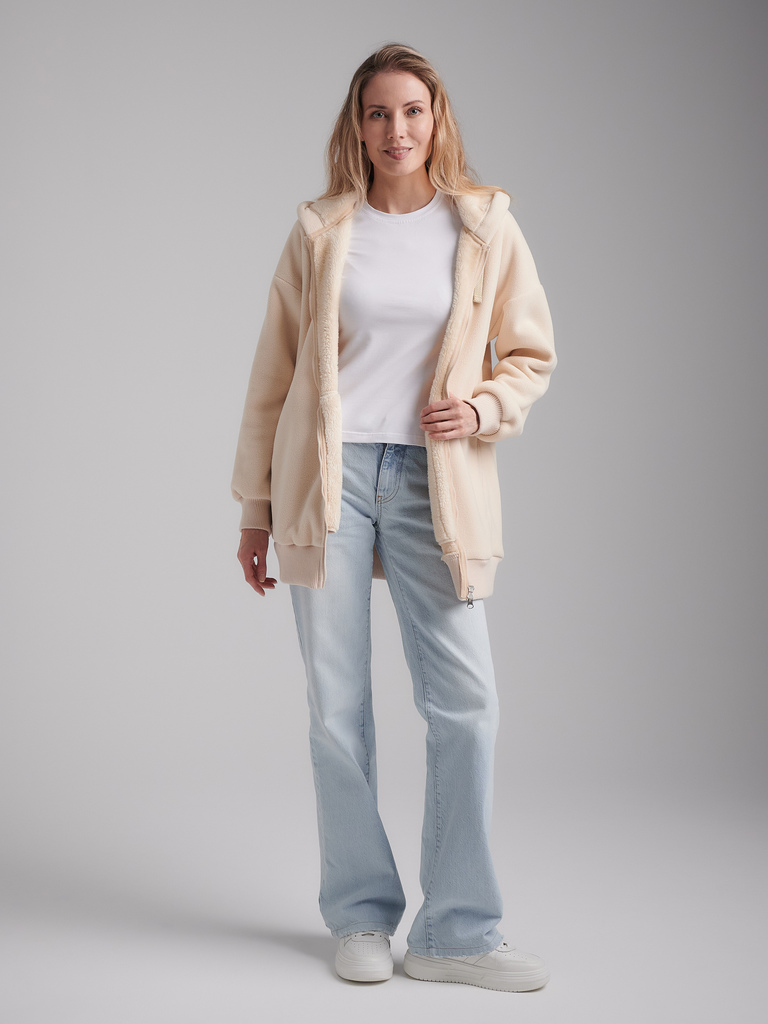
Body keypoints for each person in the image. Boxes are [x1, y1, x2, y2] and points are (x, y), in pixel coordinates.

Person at [232, 42, 556, 992]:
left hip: (432, 481)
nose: (396, 129)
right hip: (325, 483)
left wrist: (483, 408)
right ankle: (361, 916)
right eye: (378, 113)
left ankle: (455, 930)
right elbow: (273, 377)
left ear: (436, 118)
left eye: (412, 110)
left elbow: (529, 355)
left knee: (467, 706)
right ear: (357, 126)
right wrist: (255, 510)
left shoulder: (484, 225)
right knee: (337, 711)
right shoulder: (321, 230)